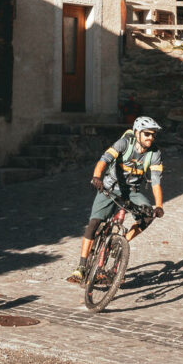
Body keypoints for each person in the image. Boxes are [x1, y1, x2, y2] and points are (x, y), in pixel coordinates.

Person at [67, 116, 165, 285]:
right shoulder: (124, 143)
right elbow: (103, 160)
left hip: (132, 191)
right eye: (147, 134)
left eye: (153, 135)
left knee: (148, 216)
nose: (151, 137)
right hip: (109, 188)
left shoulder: (155, 153)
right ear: (137, 133)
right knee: (94, 223)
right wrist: (97, 177)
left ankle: (121, 242)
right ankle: (81, 268)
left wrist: (159, 206)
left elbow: (156, 182)